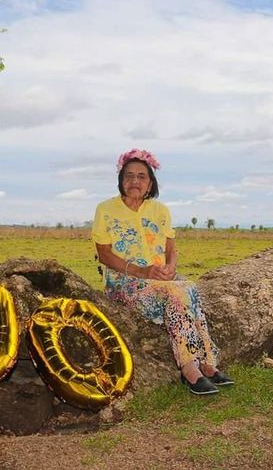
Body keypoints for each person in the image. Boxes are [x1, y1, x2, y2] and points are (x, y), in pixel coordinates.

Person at [92, 149, 234, 395]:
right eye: (129, 176)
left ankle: (206, 363)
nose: (135, 181)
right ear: (121, 180)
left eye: (141, 176)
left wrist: (170, 268)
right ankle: (190, 368)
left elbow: (171, 249)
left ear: (150, 182)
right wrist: (141, 270)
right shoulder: (105, 210)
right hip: (125, 282)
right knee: (176, 294)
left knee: (188, 288)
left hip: (160, 280)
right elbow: (104, 254)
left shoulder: (161, 211)